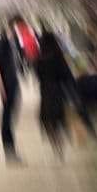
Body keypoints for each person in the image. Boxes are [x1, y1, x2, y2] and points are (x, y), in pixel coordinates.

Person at [35, 30, 74, 162]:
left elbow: (38, 75)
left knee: (47, 121)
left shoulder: (40, 59)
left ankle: (55, 147)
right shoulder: (59, 57)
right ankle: (60, 146)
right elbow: (67, 75)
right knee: (57, 120)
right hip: (58, 91)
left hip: (45, 91)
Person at [0, 17, 24, 165]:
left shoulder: (14, 42)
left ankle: (11, 149)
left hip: (13, 81)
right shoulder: (3, 42)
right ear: (14, 26)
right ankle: (10, 150)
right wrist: (0, 86)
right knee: (7, 115)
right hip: (7, 82)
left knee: (11, 112)